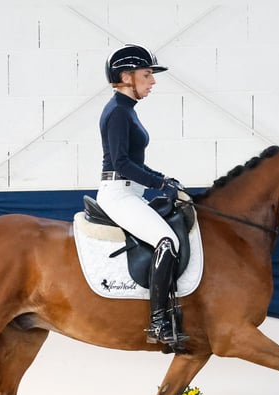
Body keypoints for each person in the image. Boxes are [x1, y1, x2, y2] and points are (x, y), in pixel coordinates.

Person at [97, 44, 187, 351]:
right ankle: (158, 322)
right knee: (167, 241)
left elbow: (132, 162)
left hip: (130, 192)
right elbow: (122, 163)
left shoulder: (126, 111)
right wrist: (159, 182)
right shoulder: (118, 113)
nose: (152, 82)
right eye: (147, 75)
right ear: (126, 76)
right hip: (118, 194)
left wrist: (163, 178)